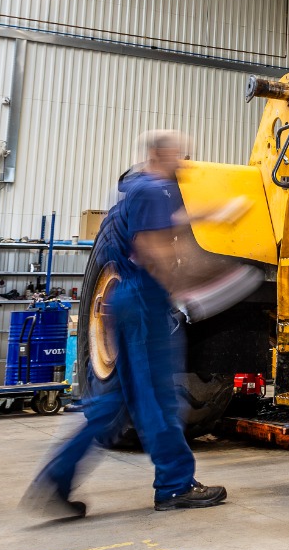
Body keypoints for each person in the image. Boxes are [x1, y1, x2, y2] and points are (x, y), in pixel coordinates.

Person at [26, 130, 245, 516]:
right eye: (179, 153)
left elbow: (174, 220)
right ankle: (175, 486)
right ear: (161, 154)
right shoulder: (151, 189)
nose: (185, 160)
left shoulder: (150, 191)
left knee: (114, 404)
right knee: (159, 398)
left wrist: (216, 213)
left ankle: (56, 480)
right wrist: (186, 287)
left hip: (131, 299)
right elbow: (152, 246)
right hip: (145, 300)